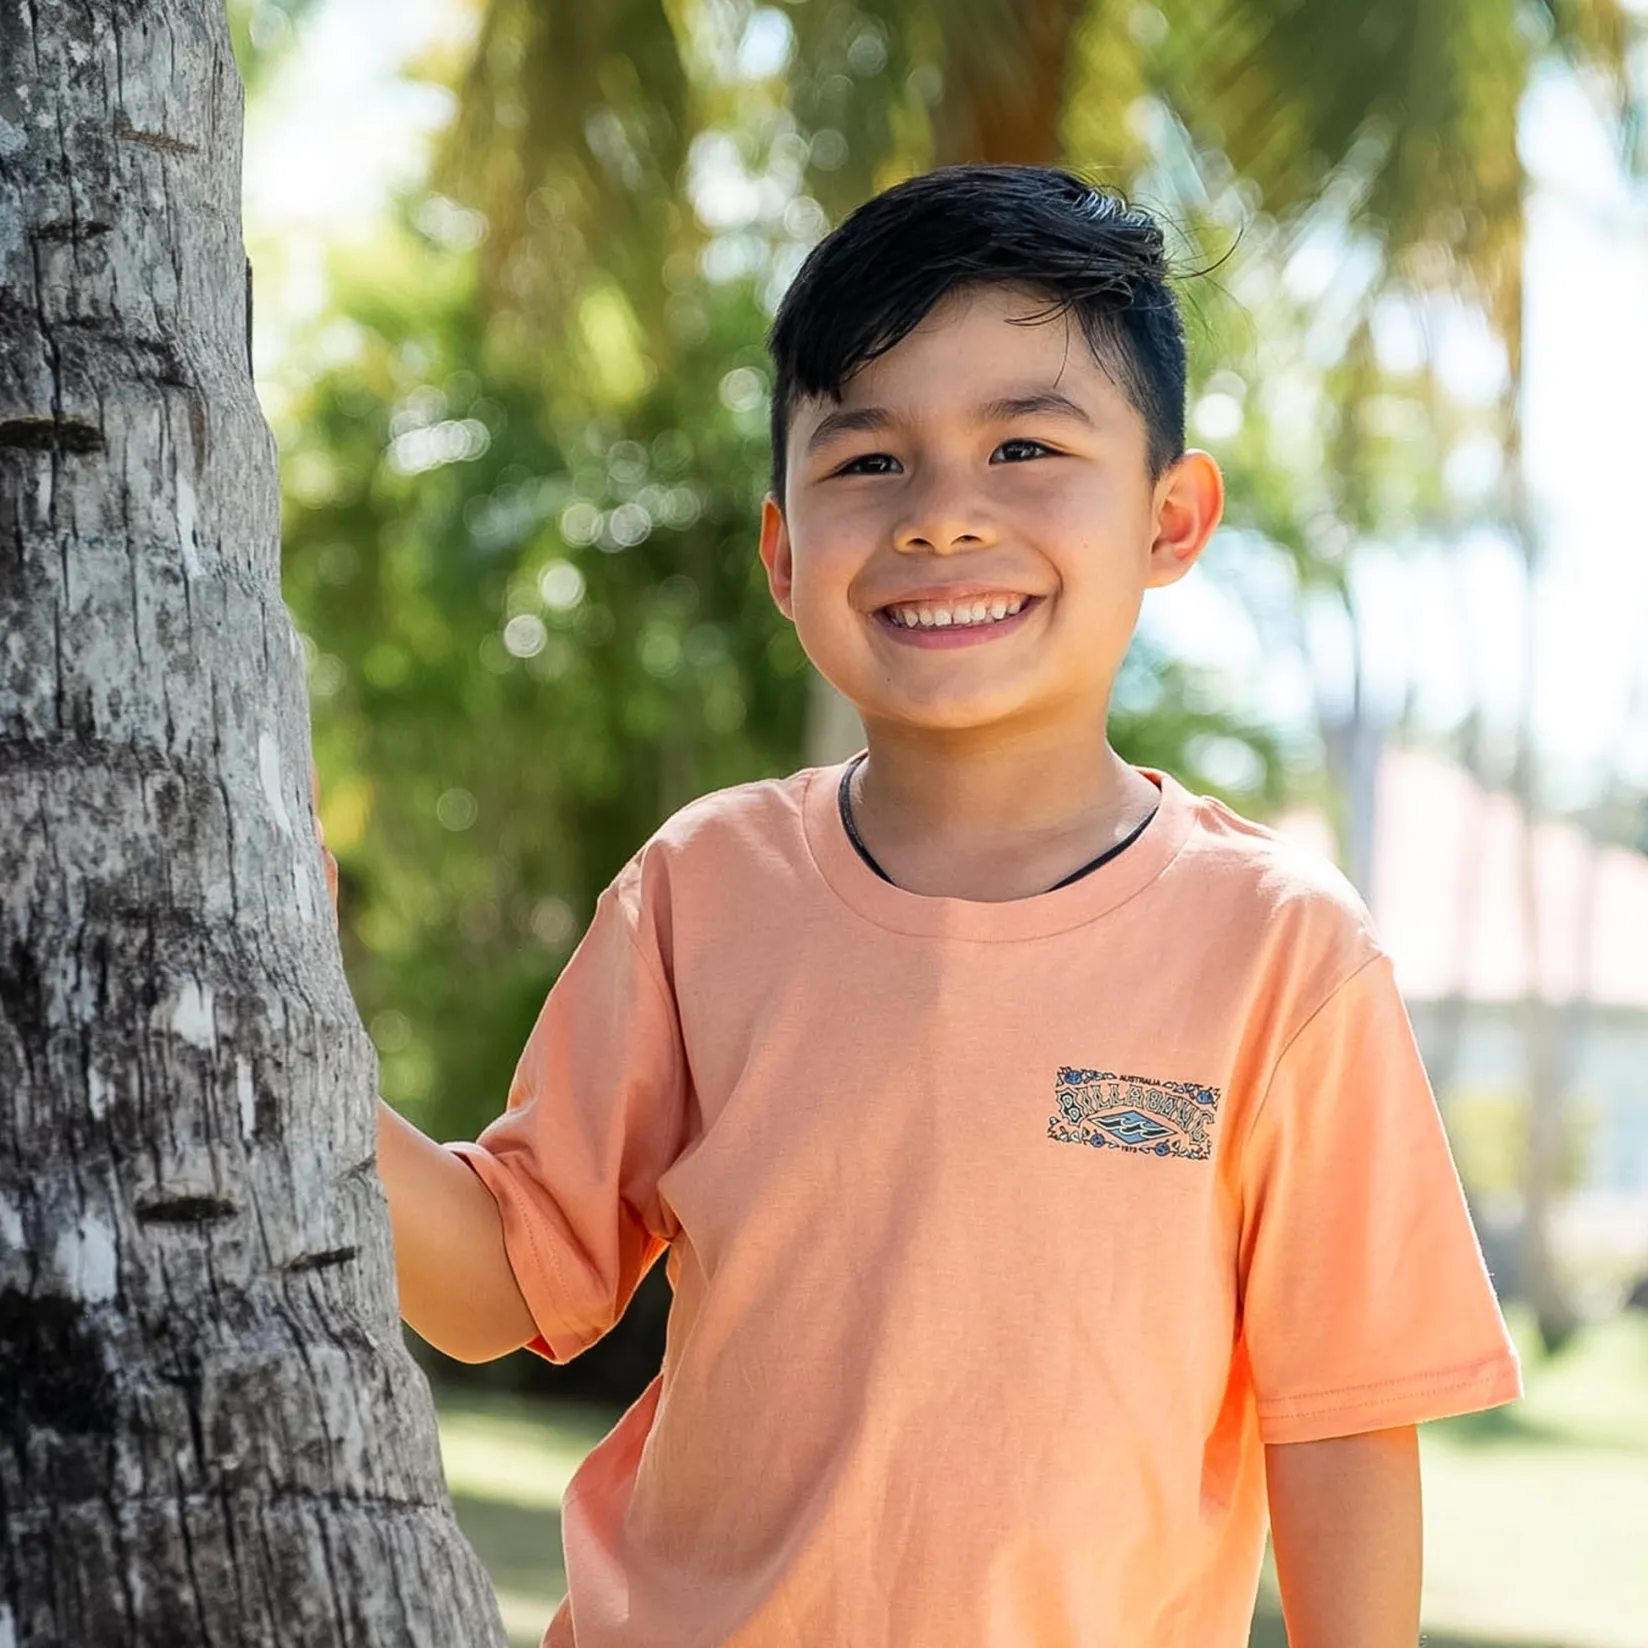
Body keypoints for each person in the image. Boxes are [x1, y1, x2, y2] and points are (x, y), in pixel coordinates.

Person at [359, 165, 1521, 1647]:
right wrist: (281, 1017)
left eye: (1024, 446)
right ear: (785, 551)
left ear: (1172, 519)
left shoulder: (1283, 956)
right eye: (869, 463)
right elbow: (500, 1284)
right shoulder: (699, 894)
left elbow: (1348, 1423)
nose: (941, 518)